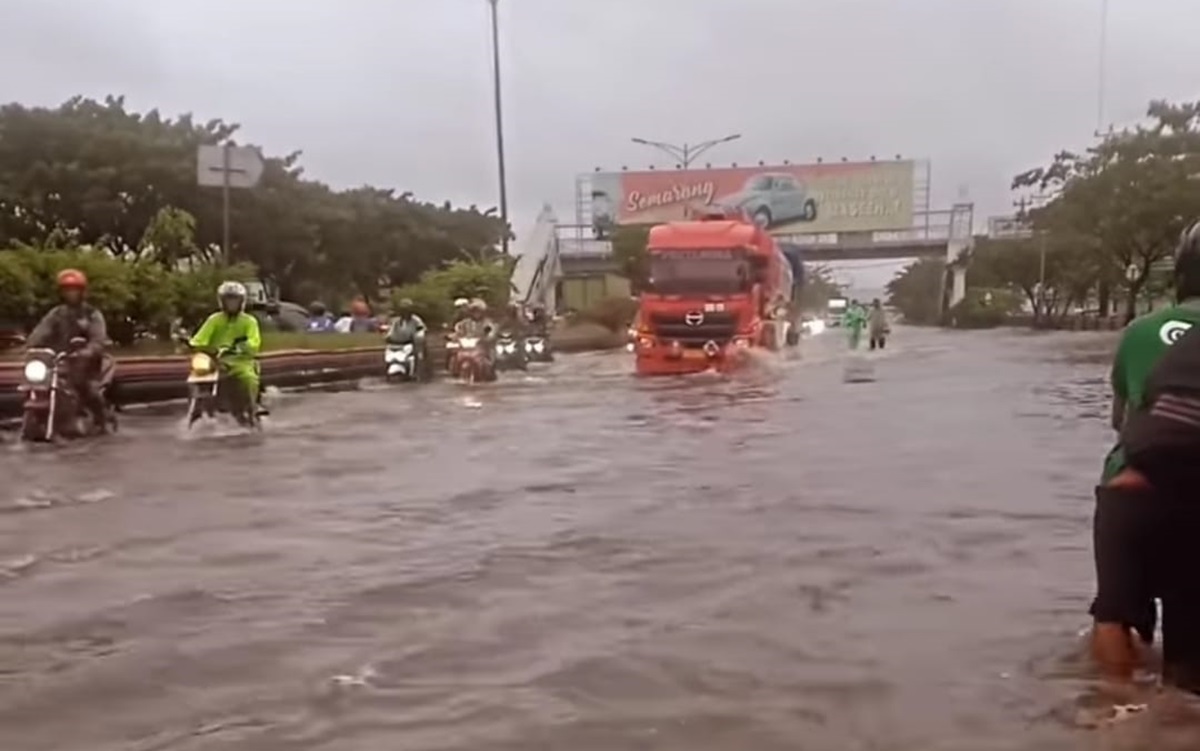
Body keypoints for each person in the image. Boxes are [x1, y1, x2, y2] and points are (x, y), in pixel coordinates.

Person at [1090, 220, 1200, 689]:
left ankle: (1114, 710)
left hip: (1133, 488)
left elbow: (1122, 420)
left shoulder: (1142, 331)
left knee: (1114, 614)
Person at [26, 269, 113, 433]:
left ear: (82, 292)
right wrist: (28, 347)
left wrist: (87, 351)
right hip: (59, 361)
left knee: (90, 389)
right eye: (67, 289)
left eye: (74, 289)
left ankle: (102, 422)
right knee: (35, 383)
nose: (70, 293)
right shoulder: (56, 314)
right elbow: (40, 333)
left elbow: (98, 340)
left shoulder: (92, 314)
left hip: (87, 365)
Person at [189, 281, 266, 416]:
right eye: (228, 299)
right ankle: (195, 406)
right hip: (216, 361)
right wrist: (192, 344)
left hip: (240, 362)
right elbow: (200, 338)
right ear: (222, 301)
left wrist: (243, 346)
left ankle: (253, 406)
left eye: (234, 300)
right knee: (197, 375)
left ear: (241, 301)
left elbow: (254, 342)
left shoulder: (249, 321)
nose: (231, 303)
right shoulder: (214, 319)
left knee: (248, 378)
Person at [386, 298, 429, 379]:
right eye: (403, 310)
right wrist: (388, 337)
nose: (405, 312)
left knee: (419, 355)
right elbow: (391, 330)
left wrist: (419, 335)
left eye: (406, 310)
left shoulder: (416, 320)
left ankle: (418, 373)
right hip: (399, 343)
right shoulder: (396, 321)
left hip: (413, 342)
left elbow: (422, 329)